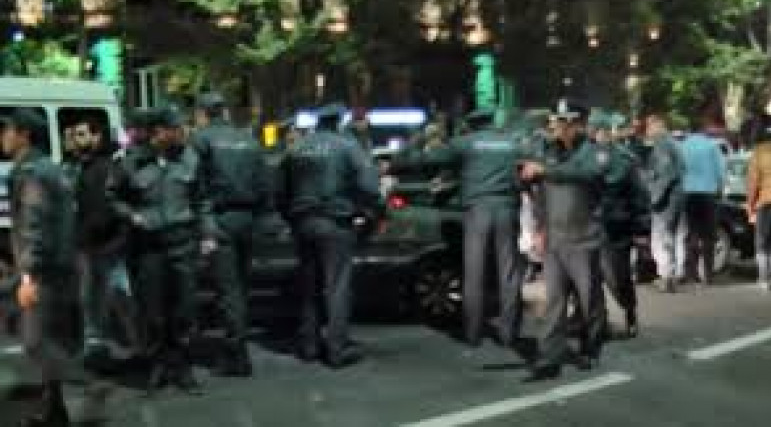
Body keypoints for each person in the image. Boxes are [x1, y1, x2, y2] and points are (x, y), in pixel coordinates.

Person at [388, 109, 525, 348]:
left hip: (476, 210)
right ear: (491, 122)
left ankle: (473, 333)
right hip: (507, 209)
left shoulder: (463, 144)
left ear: (471, 125)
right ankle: (508, 333)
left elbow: (414, 161)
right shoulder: (511, 143)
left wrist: (419, 137)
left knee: (474, 272)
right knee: (508, 273)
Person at [108, 107, 216, 393]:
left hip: (183, 245)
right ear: (160, 132)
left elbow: (202, 201)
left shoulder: (190, 159)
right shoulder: (131, 162)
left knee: (185, 310)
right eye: (178, 129)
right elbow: (113, 197)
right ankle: (157, 365)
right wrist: (131, 215)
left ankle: (183, 367)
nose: (184, 133)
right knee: (153, 311)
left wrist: (208, 234)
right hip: (148, 249)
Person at [279, 104, 384, 368]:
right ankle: (338, 348)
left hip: (303, 223)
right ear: (338, 121)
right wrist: (367, 209)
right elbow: (370, 186)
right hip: (335, 223)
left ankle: (309, 345)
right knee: (337, 286)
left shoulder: (297, 148)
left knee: (309, 286)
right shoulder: (347, 146)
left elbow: (280, 190)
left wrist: (292, 218)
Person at [4, 108, 87, 426]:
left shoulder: (32, 173)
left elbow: (34, 227)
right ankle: (54, 410)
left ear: (23, 134)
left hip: (45, 272)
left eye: (8, 130)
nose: (3, 137)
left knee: (35, 340)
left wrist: (28, 276)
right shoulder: (50, 167)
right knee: (51, 336)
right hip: (62, 267)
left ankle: (88, 384)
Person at [520, 102, 610, 382]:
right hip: (555, 238)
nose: (557, 127)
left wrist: (545, 170)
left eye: (563, 122)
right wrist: (539, 228)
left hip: (584, 238)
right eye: (556, 121)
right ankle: (549, 358)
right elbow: (542, 194)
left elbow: (586, 174)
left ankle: (591, 347)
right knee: (554, 301)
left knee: (589, 299)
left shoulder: (595, 152)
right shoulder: (549, 151)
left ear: (578, 124)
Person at [190, 92, 274, 377]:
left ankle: (236, 354)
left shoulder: (201, 140)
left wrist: (203, 225)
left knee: (228, 289)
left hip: (219, 220)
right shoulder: (248, 140)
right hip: (247, 220)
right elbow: (265, 185)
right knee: (240, 286)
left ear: (203, 113)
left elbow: (194, 184)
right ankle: (237, 342)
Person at [65, 119, 140, 366]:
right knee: (91, 298)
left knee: (118, 296)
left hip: (107, 245)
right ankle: (98, 346)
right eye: (75, 135)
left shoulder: (106, 167)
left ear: (96, 137)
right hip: (90, 245)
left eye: (81, 134)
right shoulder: (82, 167)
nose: (76, 139)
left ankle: (136, 345)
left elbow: (105, 209)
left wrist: (88, 235)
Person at [592, 124, 649, 337]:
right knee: (589, 277)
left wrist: (641, 229)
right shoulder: (583, 157)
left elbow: (639, 196)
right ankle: (595, 321)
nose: (601, 134)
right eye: (597, 130)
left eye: (605, 130)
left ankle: (629, 312)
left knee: (617, 277)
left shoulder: (625, 160)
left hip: (616, 227)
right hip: (587, 226)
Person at [678, 120, 726, 286]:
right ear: (703, 130)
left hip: (688, 193)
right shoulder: (712, 146)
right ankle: (708, 275)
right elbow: (721, 171)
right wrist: (720, 188)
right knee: (708, 236)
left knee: (691, 234)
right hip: (708, 194)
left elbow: (678, 170)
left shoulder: (682, 146)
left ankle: (690, 273)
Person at [645, 113, 686, 292]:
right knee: (674, 236)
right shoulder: (674, 144)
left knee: (662, 238)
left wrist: (655, 198)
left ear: (658, 126)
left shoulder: (662, 144)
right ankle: (673, 275)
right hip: (677, 196)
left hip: (666, 199)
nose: (647, 131)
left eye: (649, 127)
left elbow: (666, 173)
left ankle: (666, 276)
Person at [746, 115, 771, 291]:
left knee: (762, 241)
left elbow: (753, 183)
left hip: (766, 201)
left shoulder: (758, 153)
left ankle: (764, 277)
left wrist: (750, 205)